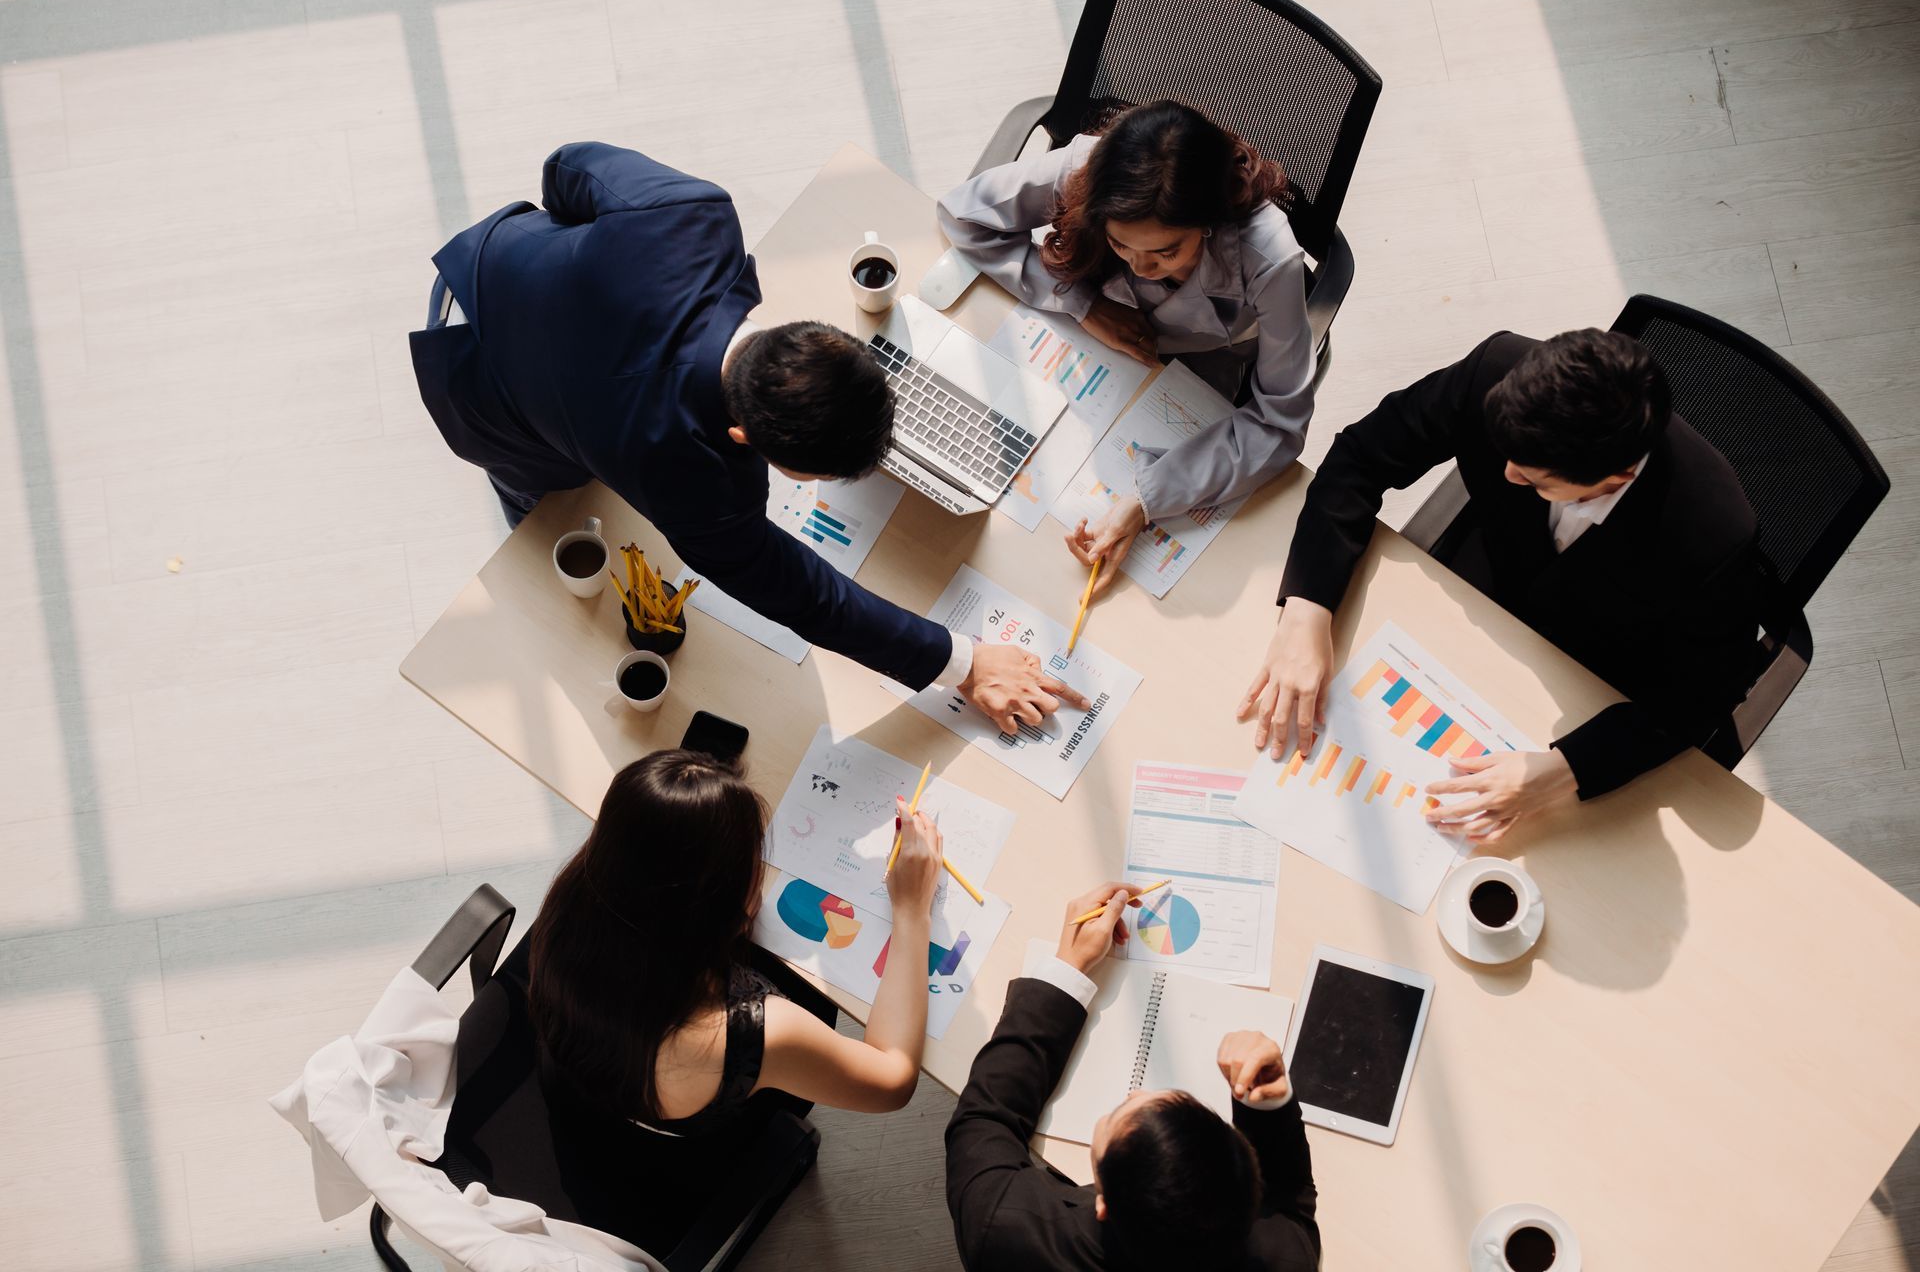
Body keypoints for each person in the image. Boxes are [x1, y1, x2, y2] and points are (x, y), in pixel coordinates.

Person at [411, 140, 1083, 733]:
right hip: (474, 383)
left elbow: (568, 167)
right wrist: (963, 664)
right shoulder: (692, 482)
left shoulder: (692, 220)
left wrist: (577, 261)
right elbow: (807, 597)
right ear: (741, 436)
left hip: (494, 267)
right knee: (549, 499)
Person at [1240, 329, 1764, 841]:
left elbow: (1699, 698)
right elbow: (1362, 455)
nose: (1507, 474)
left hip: (1596, 671)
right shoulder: (1498, 371)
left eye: (1534, 477)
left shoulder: (1715, 537)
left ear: (1618, 477)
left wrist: (1565, 770)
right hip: (1485, 597)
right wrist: (1308, 608)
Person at [508, 748, 944, 1250]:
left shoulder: (579, 896)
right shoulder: (749, 1034)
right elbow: (892, 1080)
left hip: (584, 1073)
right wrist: (912, 910)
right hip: (673, 1157)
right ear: (722, 909)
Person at [939, 100, 1316, 597]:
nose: (1141, 268)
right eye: (1121, 246)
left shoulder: (1270, 256)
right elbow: (961, 213)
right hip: (1097, 344)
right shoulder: (1084, 171)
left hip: (1204, 362)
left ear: (1208, 222)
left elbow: (1279, 423)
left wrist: (1148, 498)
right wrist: (1083, 304)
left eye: (1166, 252)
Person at [945, 881, 1321, 1270]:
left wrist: (1066, 968)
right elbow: (1290, 1204)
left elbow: (984, 1120)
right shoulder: (1282, 1260)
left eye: (1114, 1120)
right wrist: (1269, 1106)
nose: (1135, 1093)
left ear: (1103, 1203)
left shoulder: (1003, 1231)